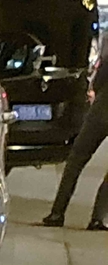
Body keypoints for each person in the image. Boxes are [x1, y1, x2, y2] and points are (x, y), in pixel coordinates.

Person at [39, 66, 106, 232]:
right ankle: (98, 219)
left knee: (75, 161)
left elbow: (99, 81)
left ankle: (57, 214)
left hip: (102, 110)